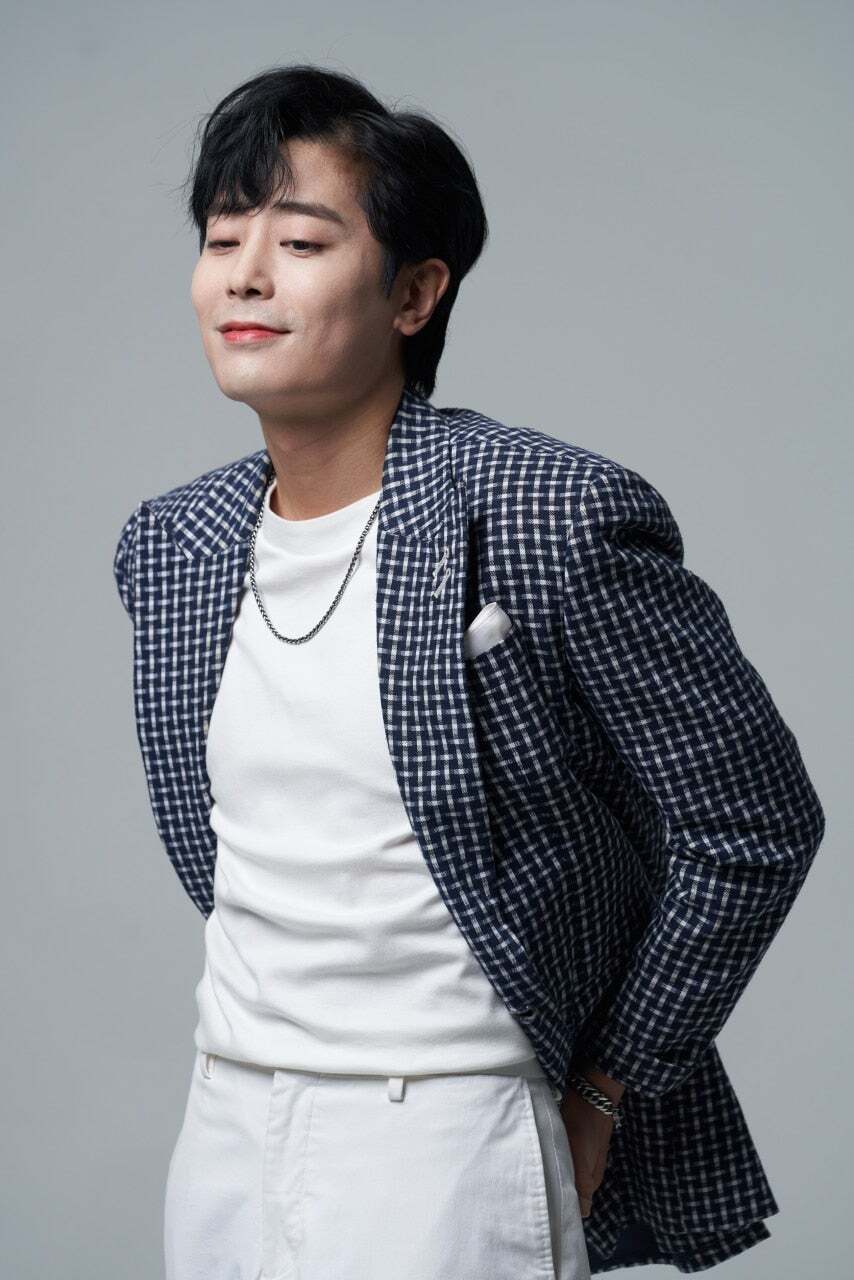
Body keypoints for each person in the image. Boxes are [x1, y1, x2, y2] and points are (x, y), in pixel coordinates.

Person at [112, 63, 825, 1278]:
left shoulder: (546, 512)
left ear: (413, 292)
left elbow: (751, 822)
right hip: (224, 1119)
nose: (244, 274)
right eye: (222, 239)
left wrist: (603, 1086)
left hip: (441, 1130)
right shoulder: (173, 544)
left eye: (299, 241)